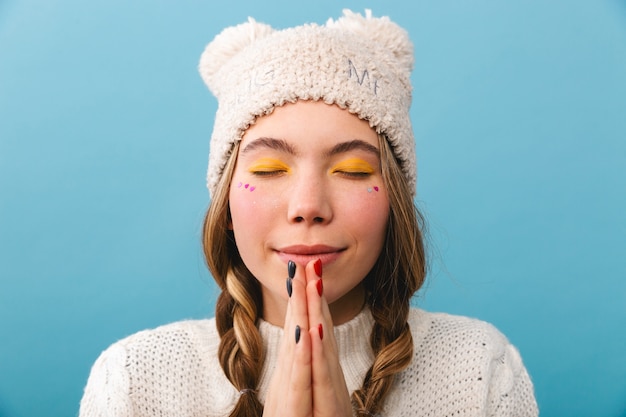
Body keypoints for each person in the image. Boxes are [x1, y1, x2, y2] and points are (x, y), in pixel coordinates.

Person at [79, 9, 538, 417]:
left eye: (354, 170)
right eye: (270, 168)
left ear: (393, 204)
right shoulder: (133, 381)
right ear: (228, 208)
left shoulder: (480, 370)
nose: (307, 207)